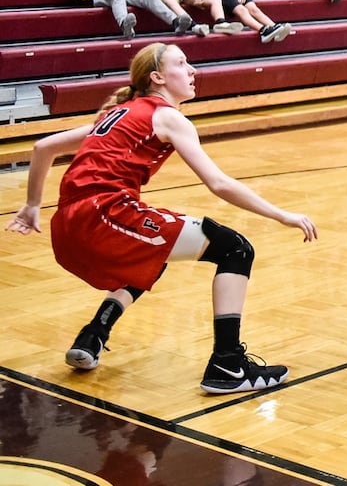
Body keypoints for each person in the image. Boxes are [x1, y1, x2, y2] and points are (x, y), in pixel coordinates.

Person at [5, 44, 316, 392]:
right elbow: (218, 183)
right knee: (235, 249)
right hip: (104, 213)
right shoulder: (168, 116)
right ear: (157, 77)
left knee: (157, 252)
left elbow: (43, 146)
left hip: (69, 220)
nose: (192, 70)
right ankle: (228, 365)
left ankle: (94, 334)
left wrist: (33, 205)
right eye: (181, 64)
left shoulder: (120, 111)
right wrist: (281, 215)